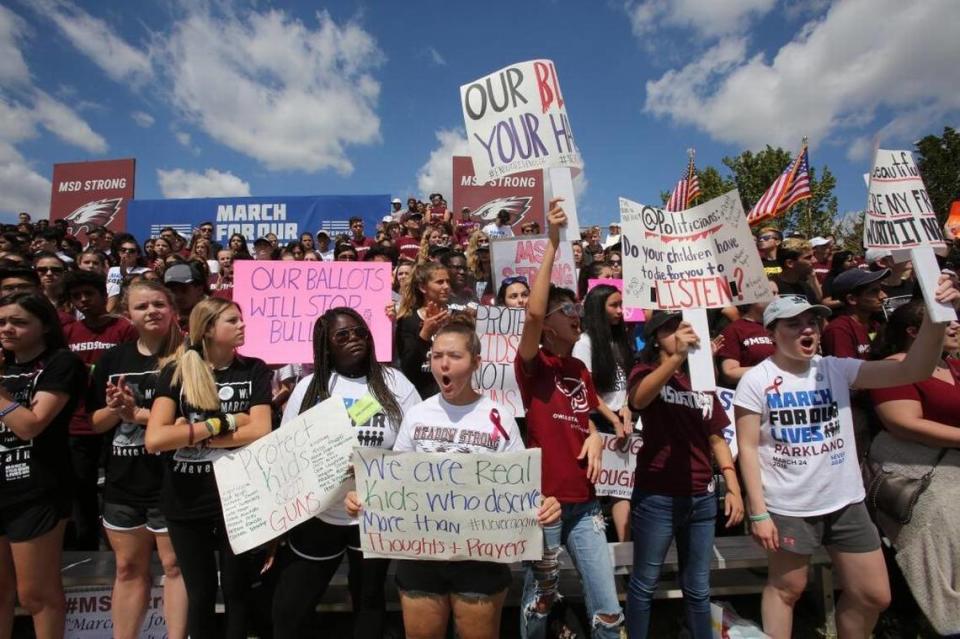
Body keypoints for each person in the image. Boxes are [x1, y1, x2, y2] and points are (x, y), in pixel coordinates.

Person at [734, 280, 960, 639]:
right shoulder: (756, 381)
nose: (807, 329)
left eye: (813, 321)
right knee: (787, 589)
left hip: (846, 502)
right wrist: (759, 513)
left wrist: (936, 318)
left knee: (874, 595)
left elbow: (910, 370)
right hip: (790, 506)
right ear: (773, 333)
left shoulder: (837, 368)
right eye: (794, 324)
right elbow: (746, 447)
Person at [346, 317, 561, 639]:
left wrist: (544, 505)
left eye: (454, 356)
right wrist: (364, 498)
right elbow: (396, 479)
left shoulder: (499, 416)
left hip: (481, 558)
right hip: (420, 555)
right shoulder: (417, 414)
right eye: (436, 356)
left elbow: (521, 485)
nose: (443, 364)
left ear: (475, 362)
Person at [272, 308, 420, 638]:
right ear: (326, 345)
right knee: (290, 605)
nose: (354, 339)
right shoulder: (309, 387)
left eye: (360, 332)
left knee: (369, 599)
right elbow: (288, 451)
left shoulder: (397, 383)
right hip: (320, 514)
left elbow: (415, 446)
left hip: (374, 514)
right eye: (343, 335)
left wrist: (374, 470)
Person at [515, 199, 623, 638]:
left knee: (608, 609)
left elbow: (583, 417)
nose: (579, 317)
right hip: (548, 507)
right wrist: (554, 242)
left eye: (579, 311)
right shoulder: (532, 366)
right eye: (570, 312)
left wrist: (597, 431)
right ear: (549, 326)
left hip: (586, 507)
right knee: (538, 607)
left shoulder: (579, 369)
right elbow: (534, 313)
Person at [145, 298, 273, 638]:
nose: (243, 325)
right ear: (208, 329)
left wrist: (188, 435)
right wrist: (225, 423)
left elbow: (260, 430)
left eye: (241, 319)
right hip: (186, 498)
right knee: (199, 593)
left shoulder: (255, 369)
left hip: (239, 498)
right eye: (233, 320)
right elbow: (156, 438)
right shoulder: (175, 372)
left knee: (237, 590)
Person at [625, 311, 743, 638]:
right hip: (658, 497)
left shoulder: (702, 381)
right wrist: (675, 359)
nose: (680, 331)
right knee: (645, 583)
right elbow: (638, 399)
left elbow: (717, 437)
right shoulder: (645, 371)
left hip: (702, 499)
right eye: (669, 327)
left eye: (683, 325)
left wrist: (732, 487)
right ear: (655, 338)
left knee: (698, 587)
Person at [87, 280, 187, 639]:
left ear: (172, 308)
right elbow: (96, 423)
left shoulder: (190, 356)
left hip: (174, 479)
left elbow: (191, 423)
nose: (151, 312)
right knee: (128, 569)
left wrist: (137, 414)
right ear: (127, 314)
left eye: (158, 304)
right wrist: (116, 410)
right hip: (123, 483)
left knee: (175, 566)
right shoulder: (113, 359)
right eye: (142, 306)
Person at [867, 301, 960, 635]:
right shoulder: (892, 368)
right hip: (915, 470)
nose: (955, 326)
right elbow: (903, 423)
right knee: (945, 534)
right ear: (913, 332)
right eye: (944, 322)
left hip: (953, 464)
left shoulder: (953, 366)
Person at [0, 293, 86, 639]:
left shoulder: (61, 364)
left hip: (37, 489)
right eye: (2, 321)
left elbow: (31, 424)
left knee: (36, 593)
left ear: (45, 326)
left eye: (19, 322)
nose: (7, 328)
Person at [63, 271, 138, 550]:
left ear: (104, 295)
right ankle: (86, 546)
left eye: (89, 294)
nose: (83, 300)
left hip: (116, 422)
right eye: (76, 296)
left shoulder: (124, 329)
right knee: (81, 489)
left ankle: (117, 541)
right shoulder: (68, 332)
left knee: (117, 487)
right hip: (78, 424)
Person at [573, 284, 634, 541]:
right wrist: (613, 419)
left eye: (621, 305)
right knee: (597, 488)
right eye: (614, 305)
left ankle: (626, 548)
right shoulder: (584, 344)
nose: (621, 311)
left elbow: (629, 380)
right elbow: (585, 391)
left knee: (623, 490)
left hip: (624, 420)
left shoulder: (620, 340)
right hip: (598, 422)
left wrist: (627, 408)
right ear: (599, 308)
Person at [396, 263, 451, 398]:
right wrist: (425, 334)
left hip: (455, 397)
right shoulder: (408, 321)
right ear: (422, 287)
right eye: (440, 282)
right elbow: (407, 368)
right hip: (422, 397)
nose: (446, 286)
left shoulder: (459, 318)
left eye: (448, 281)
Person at [716, 282, 778, 386]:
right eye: (772, 293)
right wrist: (772, 370)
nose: (778, 298)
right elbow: (730, 373)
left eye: (777, 293)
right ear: (754, 298)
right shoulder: (734, 330)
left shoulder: (781, 327)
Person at [821, 268, 889, 359]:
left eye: (881, 290)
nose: (884, 296)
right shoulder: (838, 330)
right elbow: (845, 370)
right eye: (874, 291)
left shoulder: (875, 325)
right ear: (852, 299)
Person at [774, 238, 822, 304]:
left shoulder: (806, 288)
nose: (815, 260)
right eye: (808, 257)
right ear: (790, 263)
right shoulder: (771, 288)